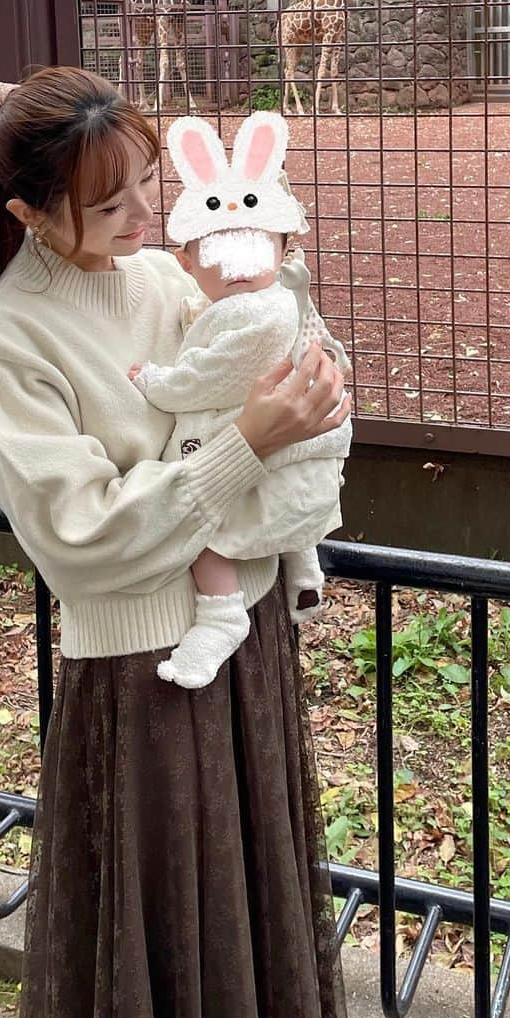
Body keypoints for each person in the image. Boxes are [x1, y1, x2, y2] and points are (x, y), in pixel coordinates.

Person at [0, 66, 355, 1018]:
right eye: (107, 202)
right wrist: (251, 442)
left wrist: (319, 379)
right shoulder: (7, 343)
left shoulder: (161, 279)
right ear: (28, 212)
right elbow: (82, 540)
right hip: (143, 676)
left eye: (143, 188)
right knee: (169, 938)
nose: (142, 218)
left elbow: (265, 349)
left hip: (240, 638)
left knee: (247, 921)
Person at [129, 111, 352, 689]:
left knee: (199, 517)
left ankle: (221, 613)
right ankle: (303, 568)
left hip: (280, 446)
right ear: (188, 261)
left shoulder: (257, 313)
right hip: (306, 453)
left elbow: (210, 376)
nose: (236, 267)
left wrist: (155, 381)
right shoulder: (278, 297)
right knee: (281, 506)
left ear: (284, 249)